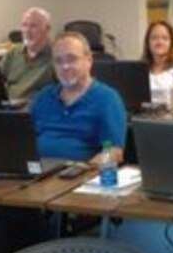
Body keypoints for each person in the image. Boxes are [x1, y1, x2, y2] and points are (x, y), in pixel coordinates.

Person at [29, 31, 126, 164]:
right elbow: (24, 141)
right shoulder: (43, 97)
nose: (65, 67)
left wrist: (84, 170)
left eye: (71, 59)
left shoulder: (107, 99)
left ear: (89, 60)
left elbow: (114, 152)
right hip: (36, 173)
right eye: (58, 61)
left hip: (79, 175)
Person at [0, 7, 55, 100]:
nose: (27, 31)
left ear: (47, 29)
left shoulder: (57, 55)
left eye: (33, 26)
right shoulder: (14, 52)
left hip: (38, 108)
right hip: (9, 108)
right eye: (24, 25)